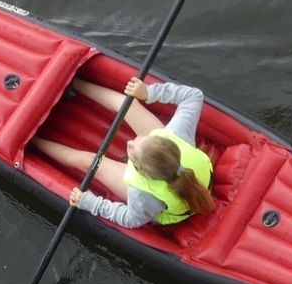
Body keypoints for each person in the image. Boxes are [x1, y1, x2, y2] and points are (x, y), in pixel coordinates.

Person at [31, 76, 216, 228]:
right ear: (163, 140)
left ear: (142, 172)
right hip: (165, 167)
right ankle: (74, 82)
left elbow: (130, 219)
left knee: (91, 162)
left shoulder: (143, 195)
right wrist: (149, 92)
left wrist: (92, 203)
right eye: (141, 139)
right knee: (126, 103)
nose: (130, 142)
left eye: (132, 152)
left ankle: (33, 140)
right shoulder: (177, 133)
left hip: (166, 201)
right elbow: (194, 95)